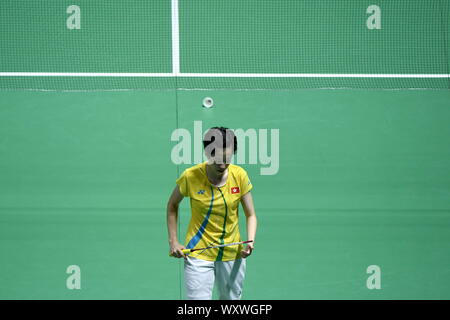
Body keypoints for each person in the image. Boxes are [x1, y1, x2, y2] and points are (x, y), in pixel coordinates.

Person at [166, 126, 257, 300]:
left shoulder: (240, 176)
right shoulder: (190, 176)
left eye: (227, 157)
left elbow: (251, 214)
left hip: (232, 252)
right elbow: (172, 205)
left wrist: (251, 240)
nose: (222, 163)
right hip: (198, 253)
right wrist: (173, 241)